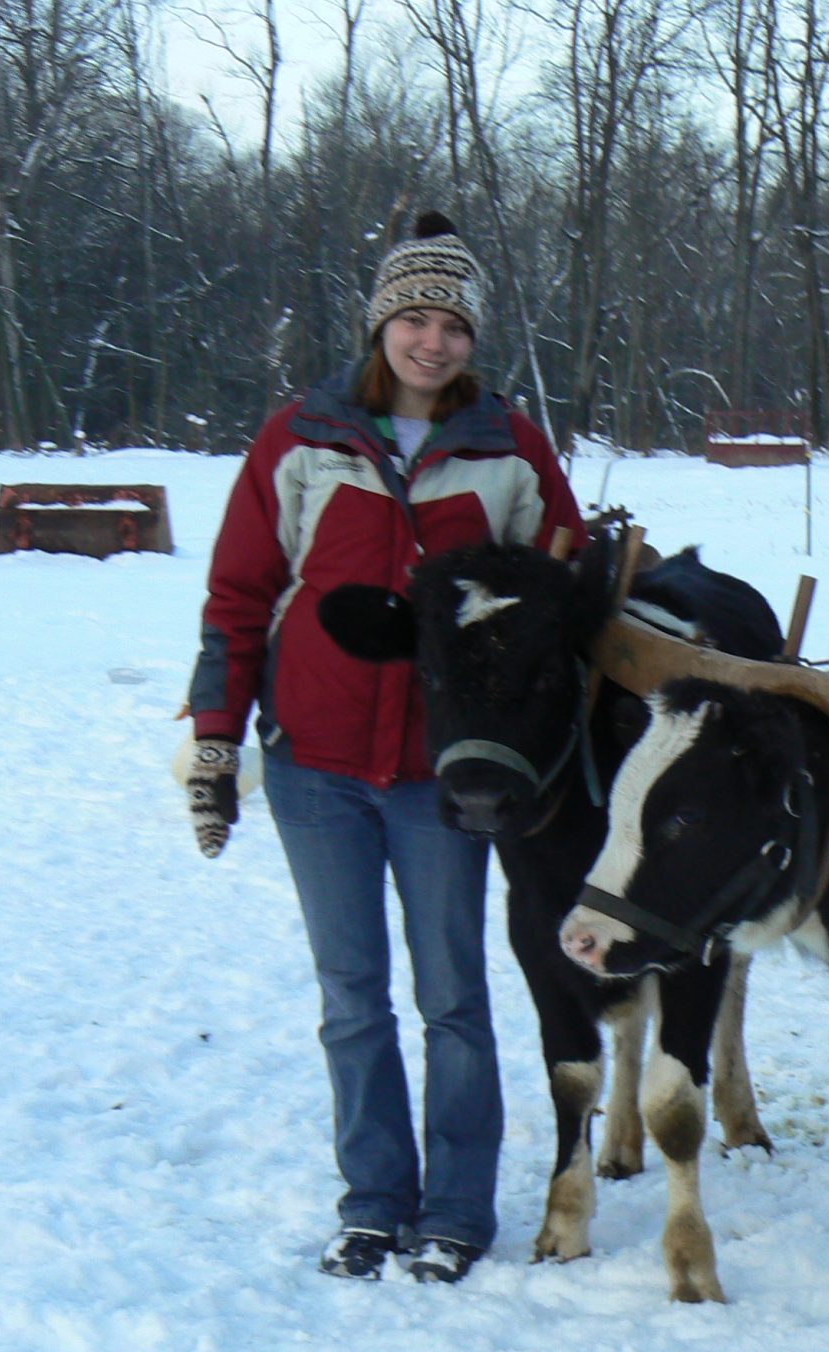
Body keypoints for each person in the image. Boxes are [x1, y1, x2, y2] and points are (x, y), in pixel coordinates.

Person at [182, 211, 584, 1286]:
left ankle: (456, 1208)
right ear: (380, 324)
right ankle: (372, 1204)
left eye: (452, 321)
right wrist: (218, 742)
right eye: (414, 315)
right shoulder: (300, 437)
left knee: (452, 992)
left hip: (441, 775)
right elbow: (240, 594)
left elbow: (563, 583)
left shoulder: (507, 445)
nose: (433, 340)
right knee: (351, 993)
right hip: (314, 764)